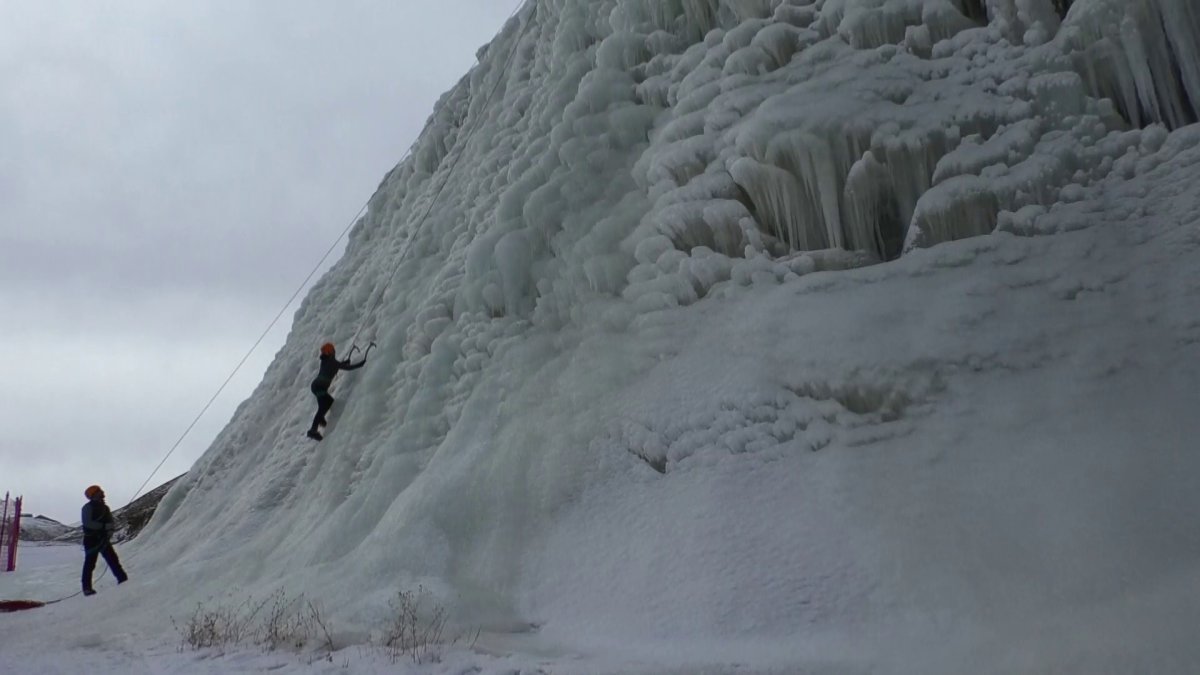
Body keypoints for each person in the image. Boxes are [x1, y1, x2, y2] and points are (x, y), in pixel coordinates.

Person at [307, 341, 367, 441]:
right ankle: (313, 430)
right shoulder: (332, 362)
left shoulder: (326, 361)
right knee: (324, 405)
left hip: (316, 386)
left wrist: (343, 363)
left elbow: (336, 366)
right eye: (333, 351)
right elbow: (344, 367)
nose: (334, 352)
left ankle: (320, 419)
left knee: (328, 401)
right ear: (331, 352)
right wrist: (359, 365)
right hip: (320, 387)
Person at [81, 485, 127, 595]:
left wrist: (109, 530)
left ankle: (122, 579)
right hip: (91, 540)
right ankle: (87, 588)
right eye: (99, 491)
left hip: (101, 538)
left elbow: (110, 522)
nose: (102, 493)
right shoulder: (87, 508)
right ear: (94, 495)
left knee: (113, 559)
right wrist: (106, 527)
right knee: (90, 564)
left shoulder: (105, 508)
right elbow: (88, 523)